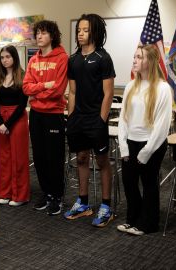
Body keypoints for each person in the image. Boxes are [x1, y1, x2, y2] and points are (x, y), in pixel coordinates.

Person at [63, 14, 116, 227]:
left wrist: (101, 120)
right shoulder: (74, 59)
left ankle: (106, 206)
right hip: (78, 119)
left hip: (96, 119)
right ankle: (83, 203)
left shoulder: (103, 58)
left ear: (95, 32)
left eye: (85, 30)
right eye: (79, 30)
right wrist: (70, 117)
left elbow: (108, 94)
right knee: (82, 158)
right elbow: (73, 91)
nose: (81, 34)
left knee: (102, 161)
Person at [116, 44, 172, 236]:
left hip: (152, 144)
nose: (135, 60)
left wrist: (146, 151)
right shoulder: (131, 85)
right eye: (134, 57)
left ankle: (148, 223)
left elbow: (162, 125)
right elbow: (123, 118)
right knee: (129, 183)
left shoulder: (163, 88)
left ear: (151, 61)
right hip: (131, 142)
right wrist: (124, 146)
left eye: (139, 57)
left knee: (149, 184)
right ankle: (133, 218)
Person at [23, 20, 68, 216]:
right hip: (36, 115)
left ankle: (57, 196)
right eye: (37, 33)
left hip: (54, 115)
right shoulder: (33, 60)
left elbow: (58, 90)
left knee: (54, 157)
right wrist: (44, 86)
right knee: (39, 156)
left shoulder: (62, 58)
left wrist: (37, 91)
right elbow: (26, 87)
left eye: (43, 33)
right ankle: (46, 193)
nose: (39, 36)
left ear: (52, 35)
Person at [0, 45, 30, 207]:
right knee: (5, 158)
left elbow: (22, 104)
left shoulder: (23, 76)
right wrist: (1, 122)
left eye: (8, 57)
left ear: (14, 58)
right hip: (1, 120)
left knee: (18, 158)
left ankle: (20, 195)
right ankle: (5, 192)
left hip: (17, 119)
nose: (5, 60)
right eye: (2, 57)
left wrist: (8, 123)